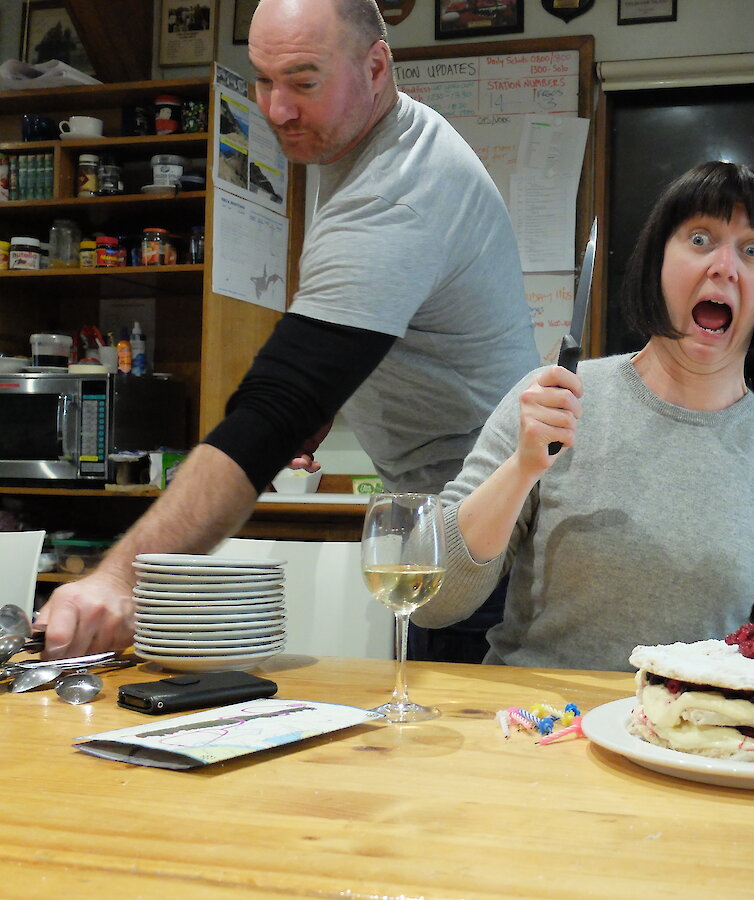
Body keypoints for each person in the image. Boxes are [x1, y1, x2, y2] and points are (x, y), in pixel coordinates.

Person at [35, 0, 538, 659]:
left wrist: (120, 578)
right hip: (452, 512)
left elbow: (274, 408)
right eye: (264, 80)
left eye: (303, 81)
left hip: (486, 529)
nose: (277, 110)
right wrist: (331, 394)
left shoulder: (396, 190)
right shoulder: (372, 147)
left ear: (376, 66)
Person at [413, 160, 754, 671]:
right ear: (657, 263)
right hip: (541, 730)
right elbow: (435, 603)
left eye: (752, 250)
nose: (724, 266)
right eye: (700, 239)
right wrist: (521, 468)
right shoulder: (553, 400)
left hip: (697, 740)